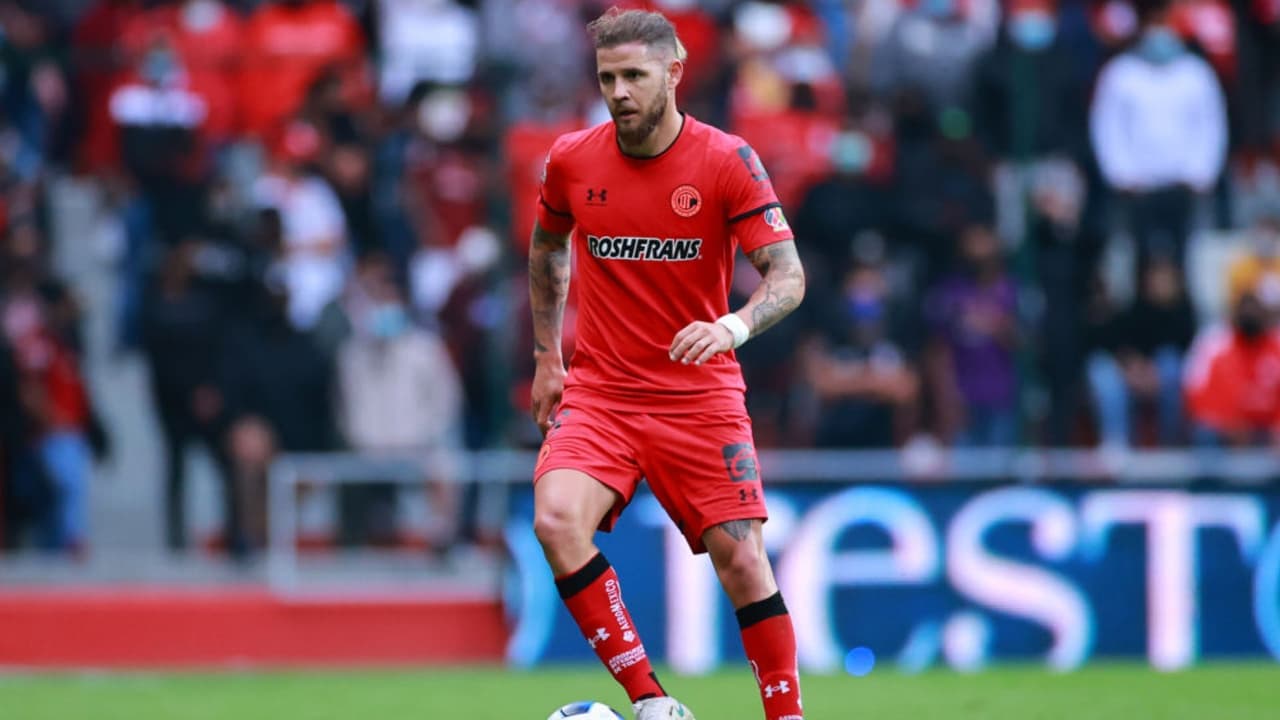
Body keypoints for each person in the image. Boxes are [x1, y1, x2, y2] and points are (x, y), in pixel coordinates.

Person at [527, 9, 806, 720]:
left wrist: (732, 325)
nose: (618, 92)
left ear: (674, 72)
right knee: (556, 520)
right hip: (602, 393)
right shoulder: (572, 159)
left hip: (697, 396)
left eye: (634, 76)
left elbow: (787, 276)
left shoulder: (726, 160)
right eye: (607, 78)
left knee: (743, 562)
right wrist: (547, 356)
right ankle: (652, 702)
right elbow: (547, 246)